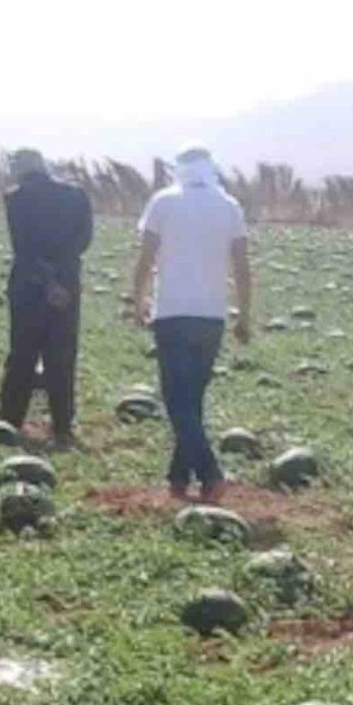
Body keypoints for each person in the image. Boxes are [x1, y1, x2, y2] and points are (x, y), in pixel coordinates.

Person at [124, 146, 252, 502]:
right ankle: (178, 477)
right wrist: (244, 314)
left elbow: (146, 257)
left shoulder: (163, 202)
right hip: (212, 317)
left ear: (179, 170)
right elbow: (241, 266)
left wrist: (138, 302)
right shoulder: (229, 206)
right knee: (191, 399)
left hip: (173, 313)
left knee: (176, 401)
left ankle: (210, 474)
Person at [0, 148, 94, 448]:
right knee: (61, 356)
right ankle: (63, 427)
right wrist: (60, 278)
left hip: (29, 285)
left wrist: (46, 281)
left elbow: (23, 248)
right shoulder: (77, 195)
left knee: (23, 354)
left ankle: (10, 421)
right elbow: (83, 241)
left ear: (19, 170)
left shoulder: (16, 197)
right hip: (67, 285)